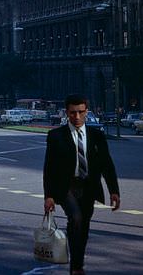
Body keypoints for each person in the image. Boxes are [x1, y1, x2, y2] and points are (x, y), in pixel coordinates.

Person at [43, 95, 120, 275]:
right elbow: (49, 168)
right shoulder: (56, 136)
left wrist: (114, 191)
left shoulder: (97, 136)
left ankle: (78, 262)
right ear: (66, 113)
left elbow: (106, 164)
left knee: (83, 225)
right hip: (66, 187)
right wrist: (49, 196)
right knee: (76, 218)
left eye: (80, 112)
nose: (76, 117)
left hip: (88, 186)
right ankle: (76, 268)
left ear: (86, 112)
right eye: (72, 113)